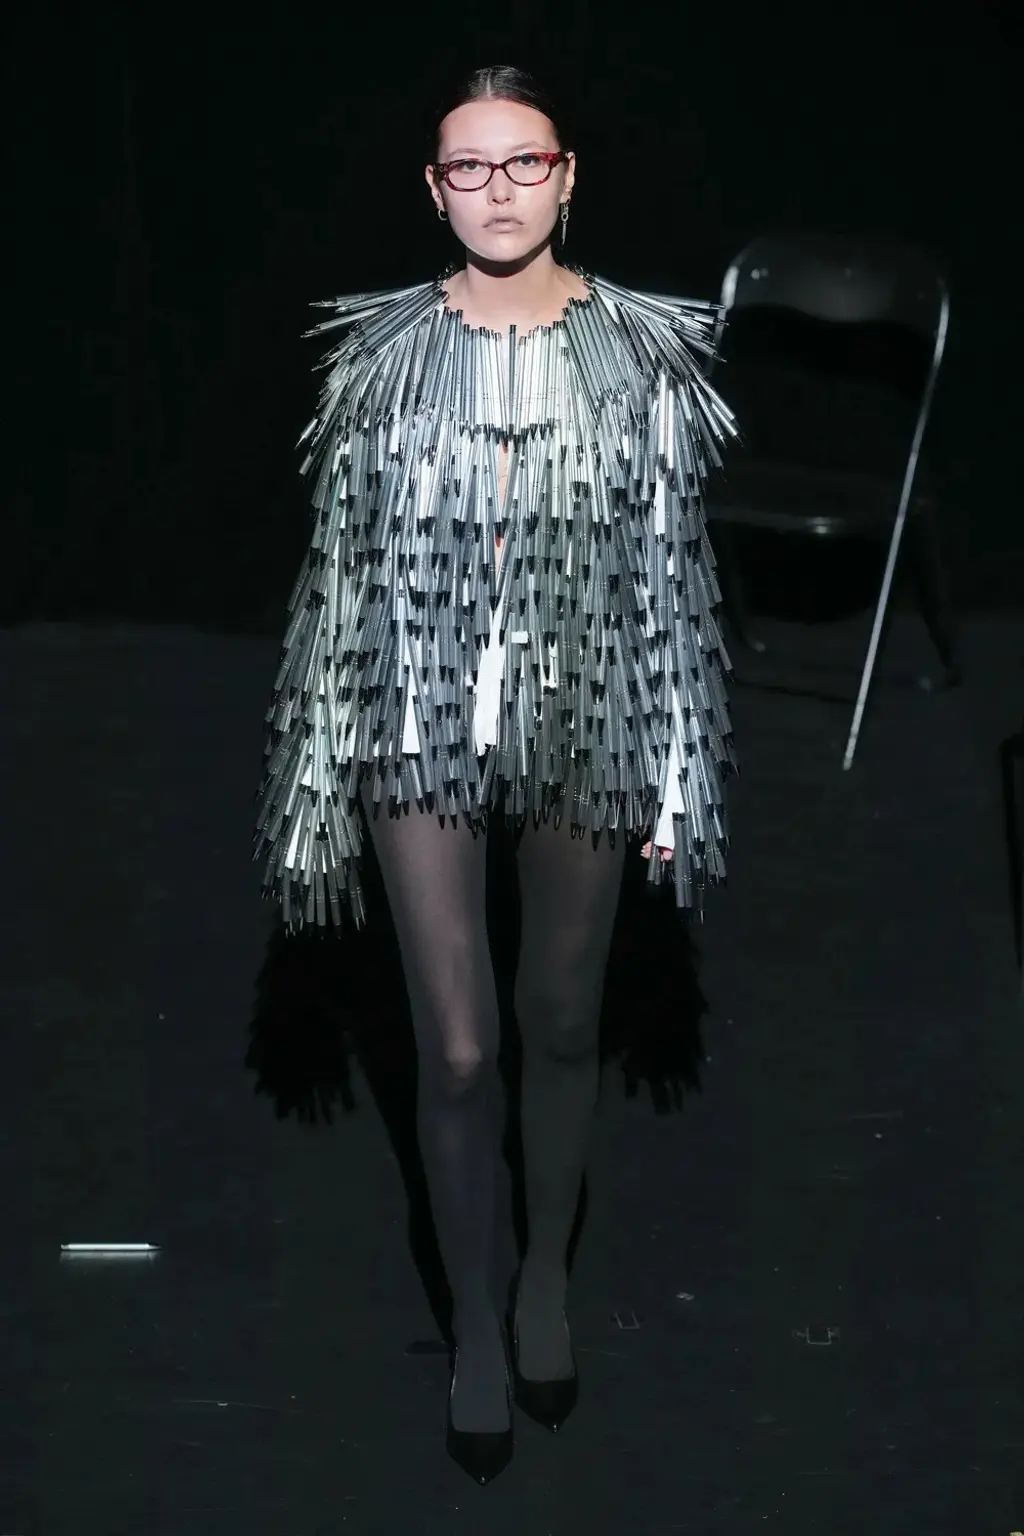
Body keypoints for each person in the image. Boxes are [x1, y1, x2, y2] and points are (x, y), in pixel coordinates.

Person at [255, 64, 737, 1485]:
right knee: (458, 1047)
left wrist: (676, 771)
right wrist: (319, 774)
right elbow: (341, 583)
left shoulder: (643, 353)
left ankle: (543, 1281)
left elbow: (671, 575)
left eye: (524, 162)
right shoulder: (380, 358)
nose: (499, 190)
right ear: (434, 189)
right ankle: (472, 1318)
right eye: (470, 167)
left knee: (563, 1021)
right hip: (414, 709)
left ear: (569, 174)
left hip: (589, 707)